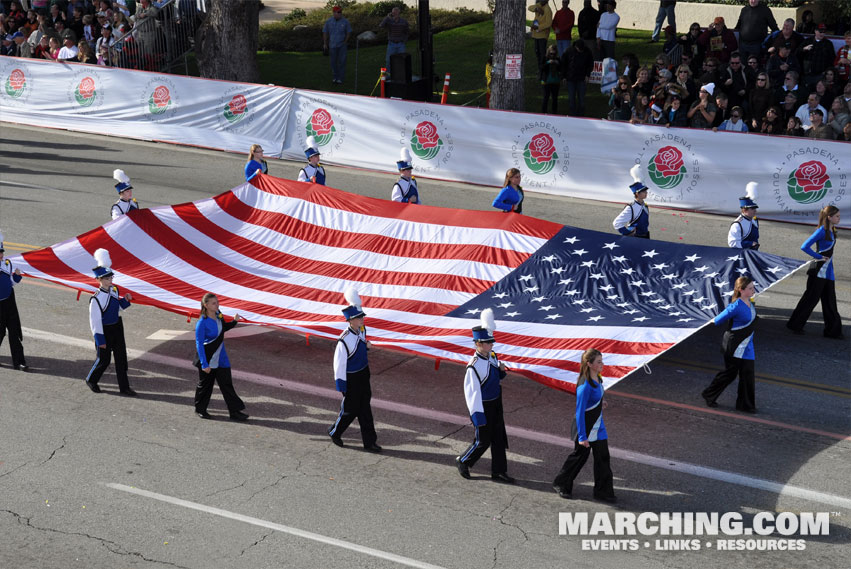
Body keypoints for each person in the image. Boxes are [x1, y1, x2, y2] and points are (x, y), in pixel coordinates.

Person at [455, 309, 515, 484]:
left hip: (496, 403)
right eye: (488, 343)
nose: (491, 345)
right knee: (483, 440)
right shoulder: (472, 367)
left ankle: (499, 471)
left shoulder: (492, 357)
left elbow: (495, 378)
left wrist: (502, 371)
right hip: (483, 406)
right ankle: (464, 461)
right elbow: (472, 394)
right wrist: (477, 416)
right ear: (478, 344)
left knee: (498, 439)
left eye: (491, 342)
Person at [552, 348, 615, 501]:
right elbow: (580, 412)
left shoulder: (598, 378)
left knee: (603, 457)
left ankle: (602, 492)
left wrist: (601, 402)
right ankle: (561, 483)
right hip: (585, 427)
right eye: (599, 362)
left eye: (602, 360)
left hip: (598, 426)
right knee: (579, 457)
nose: (602, 364)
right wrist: (582, 436)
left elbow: (596, 397)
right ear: (589, 364)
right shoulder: (584, 386)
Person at [328, 288, 381, 452]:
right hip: (351, 379)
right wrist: (341, 386)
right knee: (350, 410)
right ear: (351, 320)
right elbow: (339, 365)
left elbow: (361, 345)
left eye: (362, 316)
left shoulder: (361, 330)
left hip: (363, 374)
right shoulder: (343, 340)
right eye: (359, 317)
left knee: (365, 409)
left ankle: (369, 441)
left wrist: (367, 346)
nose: (362, 319)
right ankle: (335, 432)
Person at [701, 276, 758, 413]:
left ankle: (745, 405)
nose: (753, 290)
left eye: (752, 287)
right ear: (741, 290)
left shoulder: (751, 301)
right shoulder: (735, 306)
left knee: (748, 375)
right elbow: (717, 320)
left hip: (747, 346)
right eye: (750, 288)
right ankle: (709, 394)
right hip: (735, 345)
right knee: (730, 374)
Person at [86, 248, 137, 396]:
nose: (110, 281)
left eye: (111, 278)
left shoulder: (114, 290)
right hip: (104, 331)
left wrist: (125, 301)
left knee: (122, 359)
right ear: (99, 280)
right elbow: (95, 322)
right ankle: (91, 379)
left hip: (116, 327)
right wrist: (100, 339)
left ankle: (124, 387)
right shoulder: (95, 299)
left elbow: (117, 308)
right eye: (107, 279)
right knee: (104, 360)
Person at [787, 206, 843, 338]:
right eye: (837, 216)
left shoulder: (832, 230)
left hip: (828, 271)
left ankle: (833, 331)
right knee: (810, 299)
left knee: (830, 300)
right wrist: (818, 257)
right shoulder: (821, 231)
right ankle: (795, 325)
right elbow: (804, 246)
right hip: (818, 270)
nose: (839, 218)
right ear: (829, 217)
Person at [193, 293, 248, 421]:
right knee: (205, 386)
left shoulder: (219, 315)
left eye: (217, 302)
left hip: (221, 358)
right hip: (208, 358)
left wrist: (234, 321)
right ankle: (200, 409)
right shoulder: (202, 323)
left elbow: (223, 328)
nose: (217, 305)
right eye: (213, 303)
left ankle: (235, 412)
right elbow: (199, 344)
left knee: (227, 384)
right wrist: (204, 364)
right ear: (206, 305)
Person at [0, 231, 29, 372]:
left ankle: (19, 362)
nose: (1, 255)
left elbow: (10, 282)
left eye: (1, 252)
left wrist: (17, 277)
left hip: (9, 302)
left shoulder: (7, 264)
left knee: (14, 332)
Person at [734, 0, 778, 64]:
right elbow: (739, 25)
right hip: (743, 45)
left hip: (757, 45)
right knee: (743, 67)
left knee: (755, 67)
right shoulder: (744, 10)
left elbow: (774, 27)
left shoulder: (765, 10)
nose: (753, 1)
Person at [613, 165, 650, 238]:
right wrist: (627, 233)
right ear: (637, 194)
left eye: (646, 191)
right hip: (635, 237)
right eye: (644, 191)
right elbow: (617, 223)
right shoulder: (631, 207)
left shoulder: (644, 205)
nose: (646, 193)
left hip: (645, 235)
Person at [561, 37, 593, 116]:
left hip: (582, 78)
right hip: (570, 78)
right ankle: (573, 115)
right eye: (579, 50)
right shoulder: (568, 51)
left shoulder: (587, 51)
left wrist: (587, 75)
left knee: (581, 99)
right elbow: (563, 64)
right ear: (576, 47)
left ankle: (581, 115)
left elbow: (590, 64)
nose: (581, 51)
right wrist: (563, 76)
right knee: (571, 99)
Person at [800, 24, 836, 89]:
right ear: (815, 31)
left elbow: (832, 59)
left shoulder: (828, 44)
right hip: (807, 74)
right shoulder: (807, 41)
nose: (822, 33)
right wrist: (804, 49)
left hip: (821, 75)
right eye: (820, 31)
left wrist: (826, 72)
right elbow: (797, 53)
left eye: (824, 32)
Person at [322, 6, 351, 85]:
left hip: (342, 46)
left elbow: (348, 32)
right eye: (337, 12)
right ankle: (335, 77)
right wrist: (325, 43)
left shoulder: (345, 22)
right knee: (333, 62)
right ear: (333, 13)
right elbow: (325, 32)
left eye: (340, 12)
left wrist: (345, 41)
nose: (339, 14)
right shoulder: (329, 22)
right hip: (332, 45)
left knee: (342, 62)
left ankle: (340, 78)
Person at [728, 182, 759, 250]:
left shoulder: (754, 219)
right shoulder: (737, 224)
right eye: (752, 209)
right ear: (744, 210)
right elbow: (732, 243)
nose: (755, 211)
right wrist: (750, 244)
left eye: (755, 208)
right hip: (742, 255)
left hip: (753, 253)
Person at [529, 0, 553, 69]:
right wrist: (536, 9)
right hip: (536, 34)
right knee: (537, 52)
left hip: (542, 35)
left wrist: (538, 27)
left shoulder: (548, 10)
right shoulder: (538, 5)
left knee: (542, 54)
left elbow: (548, 23)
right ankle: (540, 68)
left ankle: (543, 69)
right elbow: (529, 8)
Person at [540, 43, 561, 114]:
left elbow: (561, 69)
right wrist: (548, 62)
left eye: (553, 53)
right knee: (546, 97)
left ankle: (554, 112)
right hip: (547, 81)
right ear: (549, 51)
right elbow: (541, 68)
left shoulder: (558, 59)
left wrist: (557, 63)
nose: (552, 55)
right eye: (551, 53)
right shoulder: (545, 58)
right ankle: (544, 112)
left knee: (555, 98)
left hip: (556, 81)